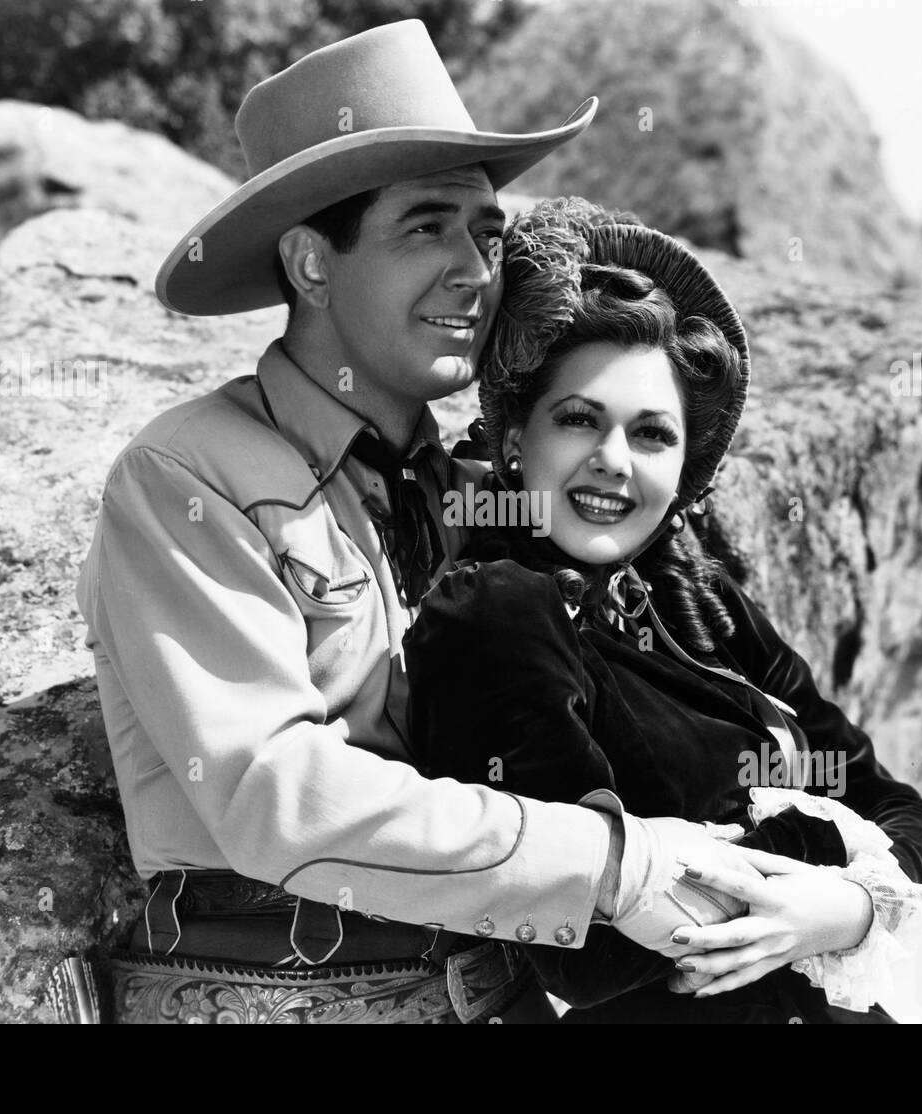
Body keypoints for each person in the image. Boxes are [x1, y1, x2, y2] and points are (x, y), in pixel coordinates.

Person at [75, 21, 766, 1025]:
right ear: (311, 263)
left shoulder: (492, 490)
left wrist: (831, 883)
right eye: (424, 228)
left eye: (486, 233)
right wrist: (614, 863)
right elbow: (274, 796)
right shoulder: (186, 476)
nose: (474, 271)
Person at [403, 197, 922, 1023]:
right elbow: (581, 945)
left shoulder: (697, 600)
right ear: (516, 436)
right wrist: (825, 844)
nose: (613, 463)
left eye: (652, 434)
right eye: (579, 419)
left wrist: (843, 912)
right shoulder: (498, 613)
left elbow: (902, 810)